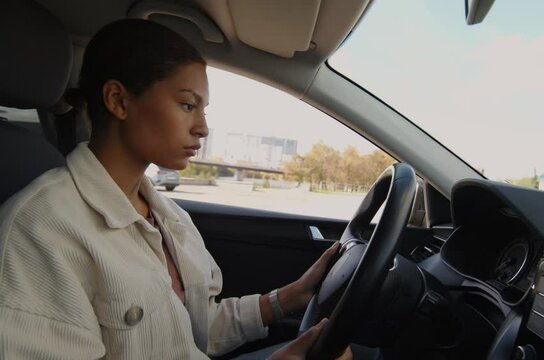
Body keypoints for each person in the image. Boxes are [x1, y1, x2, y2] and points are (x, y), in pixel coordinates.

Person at [0, 19, 350, 359]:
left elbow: (196, 330)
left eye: (203, 110)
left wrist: (291, 296)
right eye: (187, 105)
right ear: (118, 101)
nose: (202, 129)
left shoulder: (168, 216)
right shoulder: (39, 232)